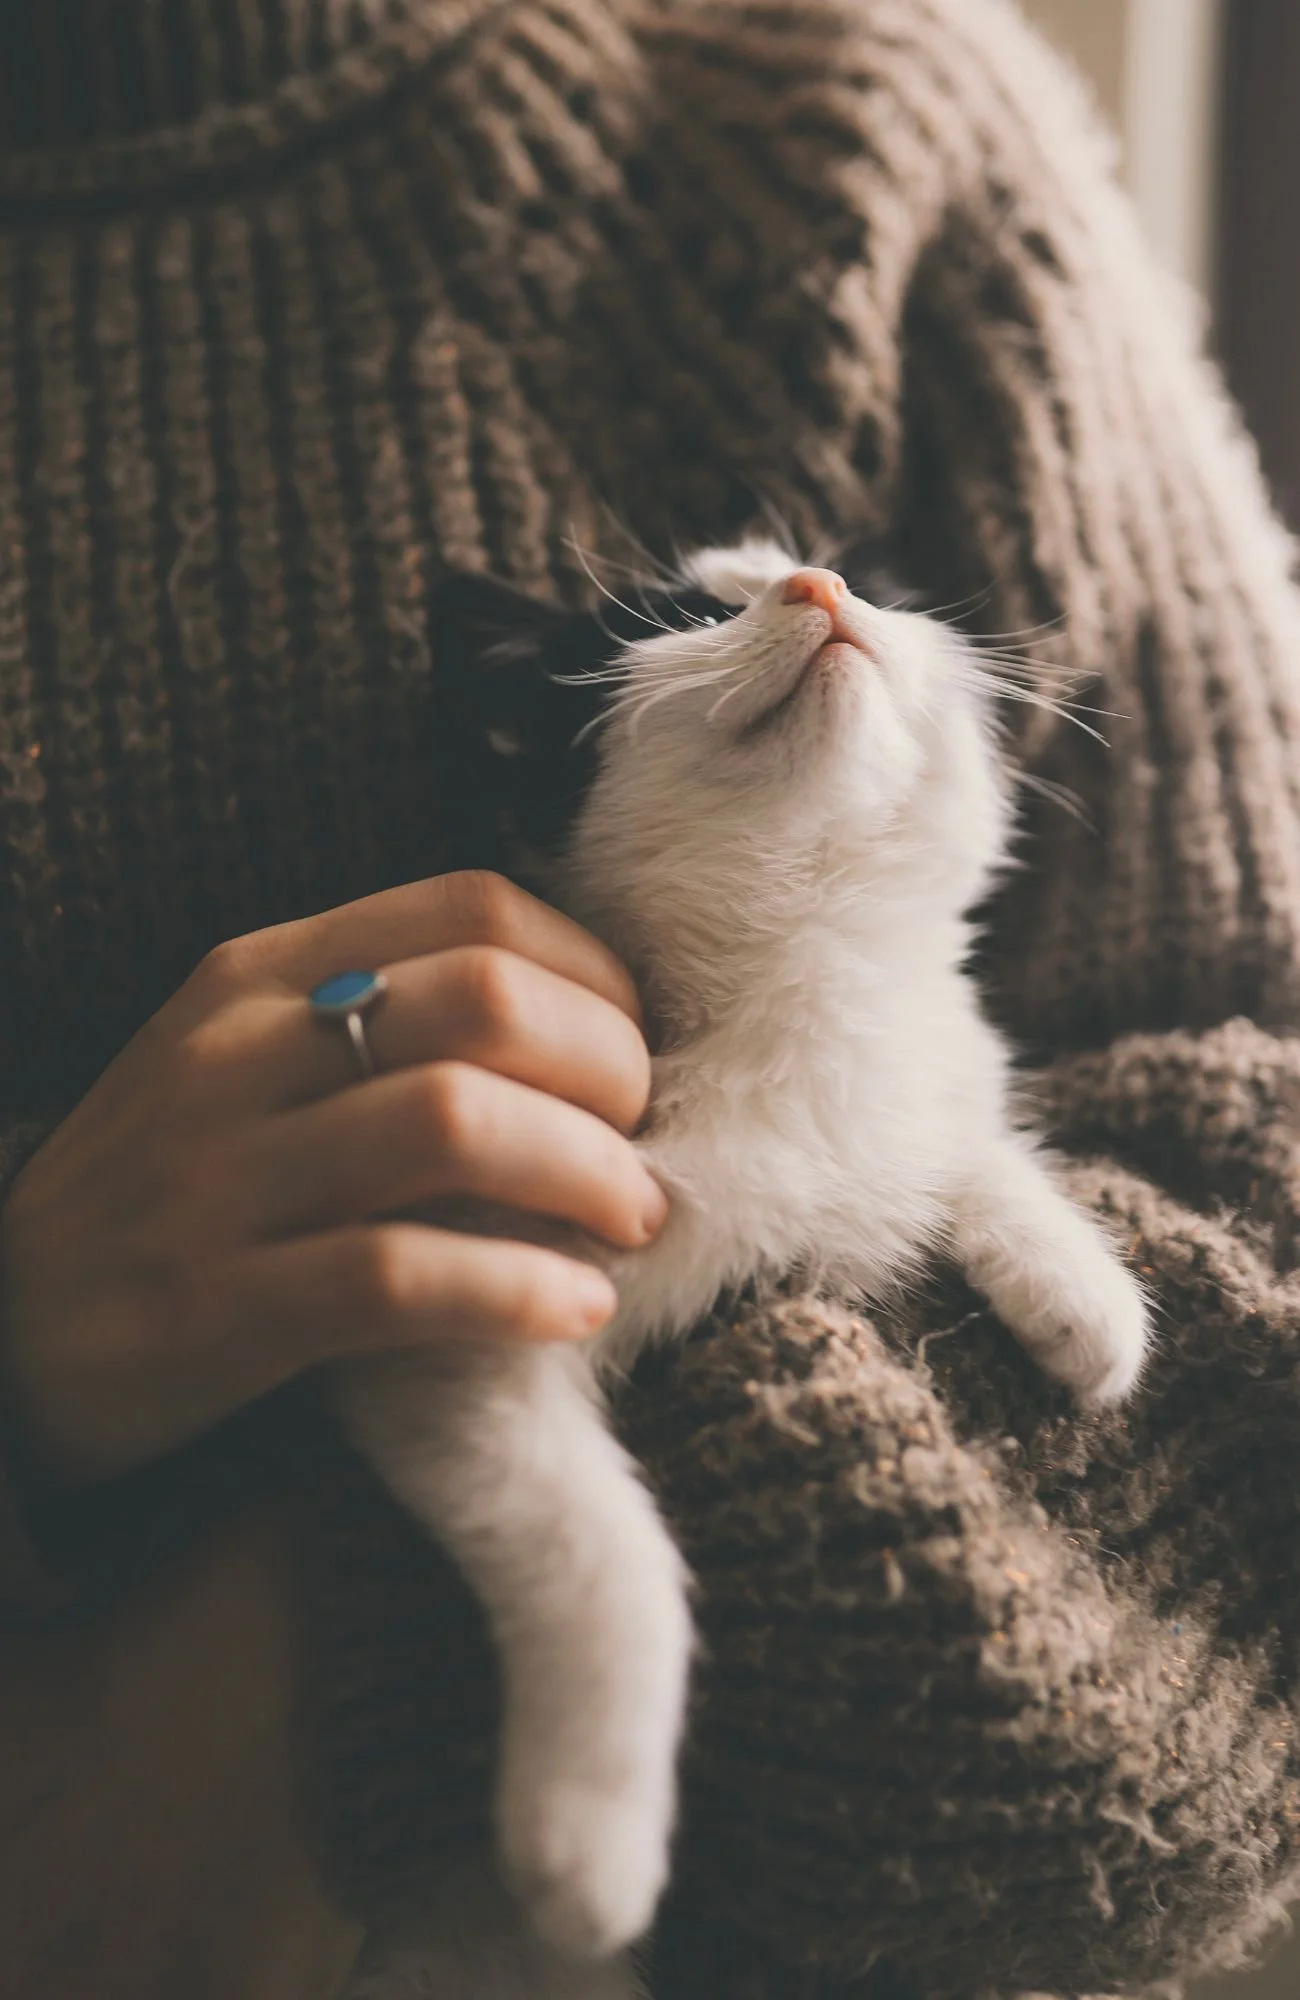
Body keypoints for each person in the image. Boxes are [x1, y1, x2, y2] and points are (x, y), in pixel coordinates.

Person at [4, 2, 1300, 1996]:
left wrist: (351, 1667)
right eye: (722, 603)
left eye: (841, 589)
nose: (814, 600)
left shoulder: (855, 128)